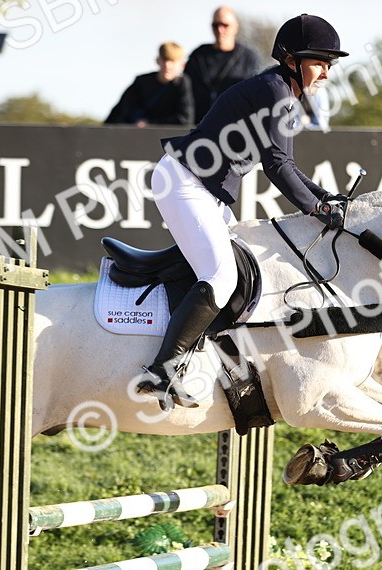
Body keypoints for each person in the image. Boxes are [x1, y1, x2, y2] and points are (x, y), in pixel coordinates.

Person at [135, 14, 348, 410]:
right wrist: (318, 208)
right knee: (220, 276)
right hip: (184, 182)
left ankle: (201, 358)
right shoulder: (276, 92)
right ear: (291, 59)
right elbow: (278, 167)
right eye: (320, 62)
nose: (326, 73)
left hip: (203, 189)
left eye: (330, 65)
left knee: (244, 269)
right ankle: (161, 370)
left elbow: (288, 165)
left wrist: (326, 198)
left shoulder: (281, 91)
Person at [184, 7, 262, 120]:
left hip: (236, 127)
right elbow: (185, 93)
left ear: (235, 28)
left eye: (225, 25)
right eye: (215, 25)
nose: (220, 30)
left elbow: (258, 95)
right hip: (200, 127)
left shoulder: (249, 58)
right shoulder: (198, 56)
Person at [105, 42, 194, 127]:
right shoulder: (141, 82)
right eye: (165, 60)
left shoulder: (182, 84)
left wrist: (149, 124)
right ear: (158, 61)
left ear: (182, 64)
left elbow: (185, 120)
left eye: (173, 61)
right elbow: (121, 111)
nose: (168, 65)